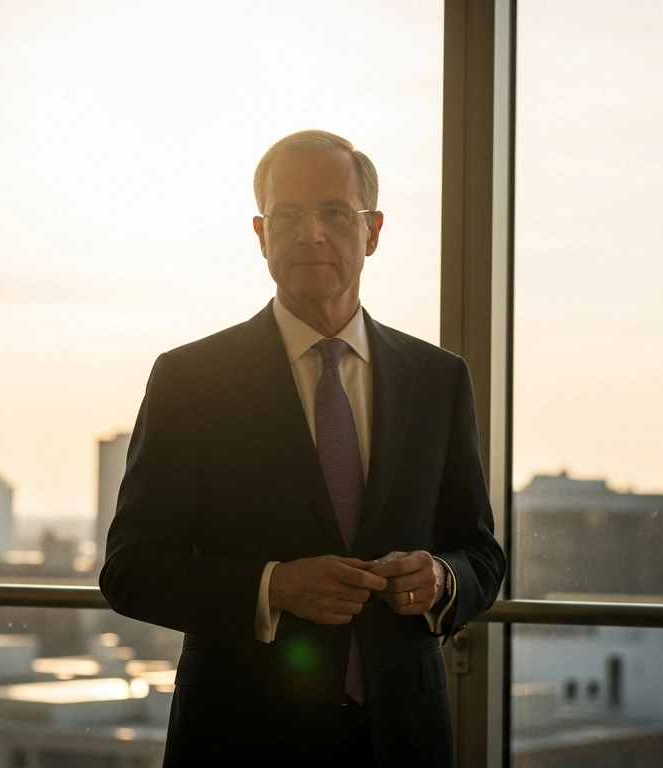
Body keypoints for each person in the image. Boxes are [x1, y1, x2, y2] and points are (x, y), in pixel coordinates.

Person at [100, 130, 506, 767]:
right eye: (287, 215)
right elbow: (131, 570)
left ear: (371, 232)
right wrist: (273, 587)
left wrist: (441, 578)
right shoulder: (190, 378)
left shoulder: (439, 379)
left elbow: (482, 554)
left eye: (335, 214)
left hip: (404, 738)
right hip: (240, 738)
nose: (310, 233)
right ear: (261, 234)